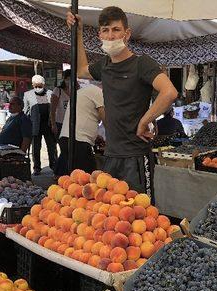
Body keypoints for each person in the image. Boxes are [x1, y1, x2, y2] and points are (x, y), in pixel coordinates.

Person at [67, 6, 177, 195]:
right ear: (100, 35)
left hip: (135, 157)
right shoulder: (105, 65)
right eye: (105, 30)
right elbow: (81, 70)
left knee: (140, 216)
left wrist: (145, 120)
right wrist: (77, 33)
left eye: (116, 30)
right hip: (111, 155)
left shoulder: (142, 63)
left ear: (127, 34)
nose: (111, 36)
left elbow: (169, 92)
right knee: (113, 216)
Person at [55, 84, 105, 176]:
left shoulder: (85, 91)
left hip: (67, 138)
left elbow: (82, 116)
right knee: (88, 178)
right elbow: (106, 119)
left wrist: (94, 136)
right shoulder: (98, 92)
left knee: (71, 178)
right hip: (79, 141)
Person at [24, 75, 57, 175]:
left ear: (44, 84)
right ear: (33, 85)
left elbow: (55, 110)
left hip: (48, 125)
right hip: (35, 126)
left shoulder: (51, 93)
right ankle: (37, 167)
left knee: (52, 147)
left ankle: (54, 165)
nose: (38, 88)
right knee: (36, 148)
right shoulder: (27, 94)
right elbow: (26, 111)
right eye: (36, 86)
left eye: (40, 85)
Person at [51, 69, 74, 138]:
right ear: (64, 79)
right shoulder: (57, 90)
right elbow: (52, 110)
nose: (69, 81)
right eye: (68, 79)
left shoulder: (76, 90)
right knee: (64, 145)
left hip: (73, 123)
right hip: (60, 123)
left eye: (72, 78)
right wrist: (53, 124)